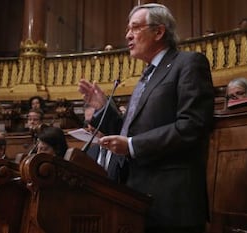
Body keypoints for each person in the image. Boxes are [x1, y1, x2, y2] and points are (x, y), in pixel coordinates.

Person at [78, 3, 214, 233]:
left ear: (159, 32)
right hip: (137, 198)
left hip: (172, 203)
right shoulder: (146, 76)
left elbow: (192, 126)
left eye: (135, 28)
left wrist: (132, 145)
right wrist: (104, 108)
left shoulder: (188, 63)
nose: (127, 35)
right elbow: (131, 130)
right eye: (128, 29)